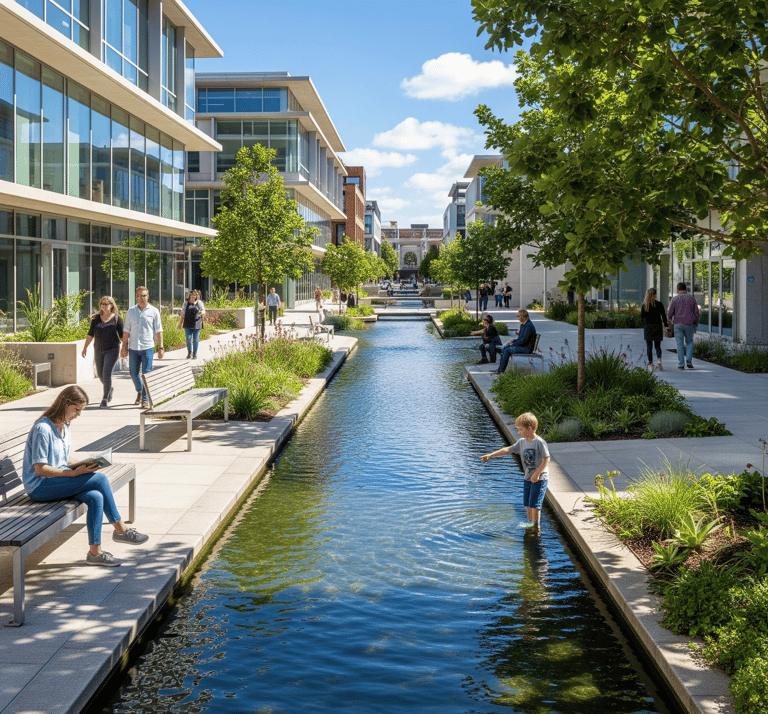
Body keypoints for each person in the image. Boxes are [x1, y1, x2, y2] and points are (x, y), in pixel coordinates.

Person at [22, 386, 149, 567]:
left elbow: (63, 458)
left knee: (96, 496)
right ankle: (121, 530)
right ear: (65, 403)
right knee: (100, 479)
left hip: (59, 481)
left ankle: (95, 553)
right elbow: (40, 469)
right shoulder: (43, 429)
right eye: (77, 410)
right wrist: (72, 473)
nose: (78, 415)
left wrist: (82, 465)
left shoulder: (65, 425)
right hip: (40, 486)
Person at [481, 411, 550, 532]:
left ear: (529, 428)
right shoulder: (522, 442)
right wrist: (491, 455)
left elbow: (546, 459)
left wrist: (537, 473)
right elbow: (507, 449)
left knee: (535, 505)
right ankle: (529, 524)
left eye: (520, 429)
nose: (519, 432)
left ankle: (536, 527)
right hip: (528, 477)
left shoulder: (539, 442)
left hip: (540, 478)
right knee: (527, 503)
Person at [120, 286, 164, 409]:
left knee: (146, 374)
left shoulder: (154, 311)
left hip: (148, 347)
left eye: (144, 295)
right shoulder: (131, 311)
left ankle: (145, 399)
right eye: (139, 296)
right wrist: (124, 346)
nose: (141, 298)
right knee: (133, 374)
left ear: (148, 296)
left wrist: (161, 347)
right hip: (133, 348)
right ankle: (140, 390)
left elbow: (158, 330)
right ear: (136, 297)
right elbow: (126, 330)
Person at [81, 296, 123, 408]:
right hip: (98, 349)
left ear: (112, 305)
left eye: (107, 304)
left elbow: (123, 336)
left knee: (106, 373)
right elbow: (90, 334)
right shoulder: (96, 319)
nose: (104, 306)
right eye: (102, 304)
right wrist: (85, 347)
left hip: (112, 349)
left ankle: (104, 399)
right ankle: (109, 388)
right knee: (100, 374)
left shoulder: (117, 319)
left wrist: (126, 348)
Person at [667, 282, 700, 370]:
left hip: (678, 324)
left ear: (678, 289)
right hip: (689, 324)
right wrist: (696, 324)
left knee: (679, 344)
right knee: (689, 342)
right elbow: (696, 312)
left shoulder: (674, 299)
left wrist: (669, 322)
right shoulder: (692, 298)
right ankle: (689, 360)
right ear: (686, 289)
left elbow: (670, 313)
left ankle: (681, 364)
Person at [495, 309, 537, 374]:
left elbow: (524, 341)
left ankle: (501, 371)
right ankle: (500, 369)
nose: (518, 318)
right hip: (522, 346)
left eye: (518, 316)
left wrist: (513, 344)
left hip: (526, 348)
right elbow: (520, 338)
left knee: (507, 350)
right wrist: (513, 341)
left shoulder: (529, 326)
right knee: (505, 348)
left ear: (523, 316)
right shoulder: (523, 325)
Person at [640, 287, 668, 372]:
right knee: (657, 346)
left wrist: (644, 325)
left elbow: (642, 317)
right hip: (657, 326)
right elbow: (663, 316)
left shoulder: (644, 305)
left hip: (648, 327)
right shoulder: (659, 304)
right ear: (655, 295)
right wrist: (666, 326)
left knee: (649, 346)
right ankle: (659, 360)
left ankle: (651, 364)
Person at [178, 289, 205, 359]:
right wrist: (180, 323)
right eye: (191, 296)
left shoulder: (199, 303)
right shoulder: (186, 303)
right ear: (189, 296)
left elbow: (203, 311)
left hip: (197, 323)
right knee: (188, 339)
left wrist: (201, 312)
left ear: (196, 296)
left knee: (195, 339)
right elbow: (183, 314)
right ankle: (189, 352)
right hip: (187, 323)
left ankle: (195, 353)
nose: (193, 298)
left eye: (194, 296)